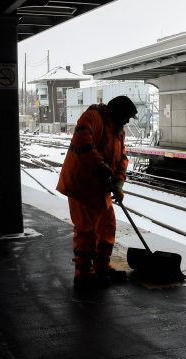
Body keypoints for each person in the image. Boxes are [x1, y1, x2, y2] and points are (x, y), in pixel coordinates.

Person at [56, 96, 137, 288]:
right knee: (86, 230)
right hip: (81, 185)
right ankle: (83, 274)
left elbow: (121, 157)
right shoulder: (93, 117)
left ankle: (102, 266)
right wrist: (99, 165)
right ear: (117, 113)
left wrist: (118, 182)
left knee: (107, 226)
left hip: (100, 186)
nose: (126, 122)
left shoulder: (118, 130)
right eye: (126, 117)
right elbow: (82, 140)